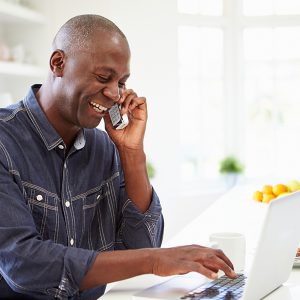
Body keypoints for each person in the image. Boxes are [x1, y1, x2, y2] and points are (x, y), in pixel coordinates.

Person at [0, 14, 236, 300]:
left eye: (122, 82)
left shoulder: (105, 148)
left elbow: (141, 244)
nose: (114, 93)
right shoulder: (5, 141)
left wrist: (131, 152)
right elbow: (24, 263)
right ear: (58, 63)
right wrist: (155, 259)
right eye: (103, 77)